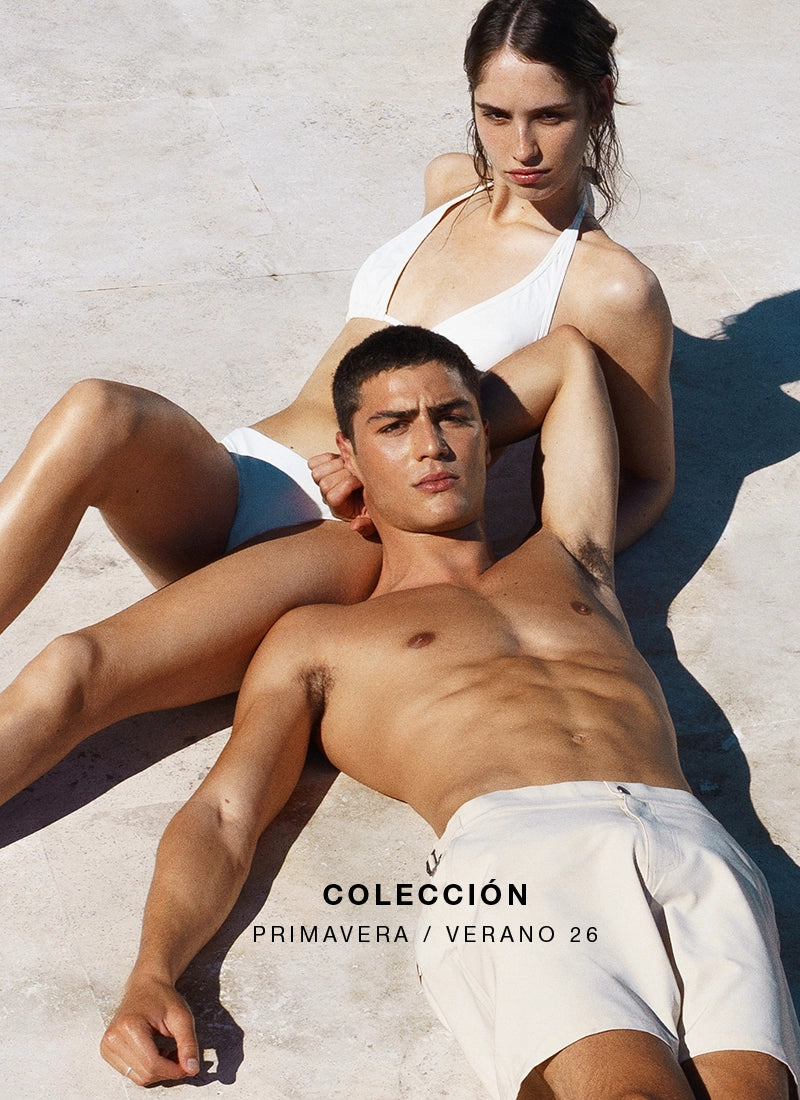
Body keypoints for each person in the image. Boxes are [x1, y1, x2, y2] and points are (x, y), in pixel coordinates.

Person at [0, 0, 673, 806]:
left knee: (75, 669)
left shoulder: (609, 287)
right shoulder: (450, 184)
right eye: (496, 115)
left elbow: (649, 479)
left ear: (599, 100)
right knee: (97, 410)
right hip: (245, 472)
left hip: (336, 537)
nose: (520, 148)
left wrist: (533, 572)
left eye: (550, 117)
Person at [101, 326, 798, 1099]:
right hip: (521, 860)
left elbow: (569, 357)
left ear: (486, 435)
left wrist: (438, 425)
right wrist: (153, 972)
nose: (431, 445)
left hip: (693, 841)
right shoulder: (320, 637)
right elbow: (225, 813)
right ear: (347, 454)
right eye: (394, 427)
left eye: (454, 417)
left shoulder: (571, 557)